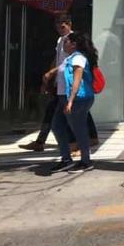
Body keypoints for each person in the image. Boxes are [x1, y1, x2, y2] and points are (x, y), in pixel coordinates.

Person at [20, 14, 98, 153]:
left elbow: (69, 63)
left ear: (69, 24)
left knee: (68, 114)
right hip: (60, 82)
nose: (60, 29)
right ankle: (87, 139)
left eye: (63, 26)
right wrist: (50, 76)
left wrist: (51, 74)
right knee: (64, 113)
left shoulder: (73, 41)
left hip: (68, 84)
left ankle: (78, 143)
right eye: (57, 26)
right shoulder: (60, 40)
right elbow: (58, 60)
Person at [48, 32, 98, 173]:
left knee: (78, 128)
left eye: (66, 42)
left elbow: (77, 80)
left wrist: (70, 101)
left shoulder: (79, 59)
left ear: (73, 44)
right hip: (63, 98)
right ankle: (66, 159)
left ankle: (86, 161)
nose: (64, 44)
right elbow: (62, 72)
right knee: (57, 126)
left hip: (76, 99)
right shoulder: (69, 58)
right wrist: (50, 74)